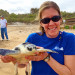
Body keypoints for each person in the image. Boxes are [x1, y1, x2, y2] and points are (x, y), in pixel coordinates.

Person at [0, 1, 75, 75]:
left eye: (55, 18)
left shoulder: (69, 38)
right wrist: (13, 59)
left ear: (60, 20)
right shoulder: (33, 38)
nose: (51, 23)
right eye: (46, 20)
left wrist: (46, 57)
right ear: (41, 23)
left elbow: (71, 73)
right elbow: (23, 64)